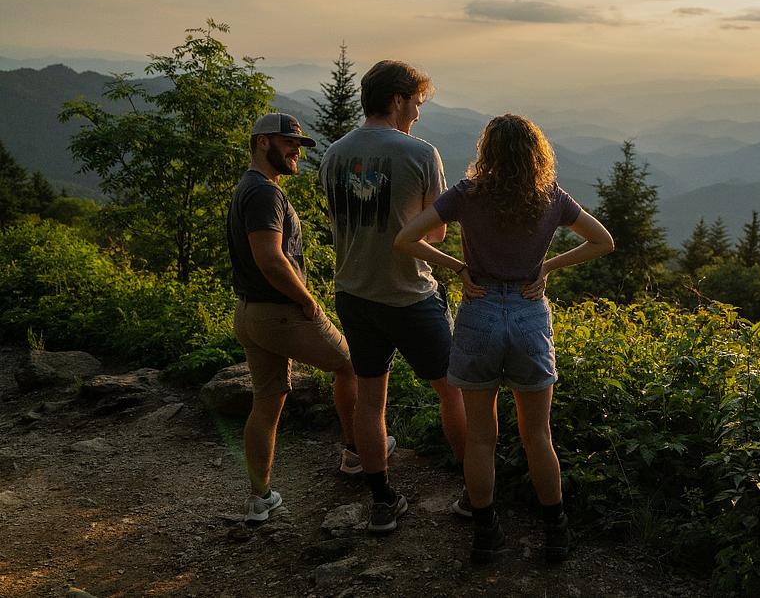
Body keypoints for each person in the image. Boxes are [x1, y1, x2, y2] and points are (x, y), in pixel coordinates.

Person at [393, 113, 615, 564]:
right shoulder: (549, 196)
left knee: (480, 437)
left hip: (479, 313)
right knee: (538, 435)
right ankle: (556, 533)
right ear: (537, 155)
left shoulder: (467, 194)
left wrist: (458, 269)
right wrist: (547, 267)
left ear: (487, 151)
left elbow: (406, 238)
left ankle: (485, 536)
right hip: (530, 315)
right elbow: (603, 241)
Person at [319, 60, 468, 534]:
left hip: (353, 292)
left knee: (370, 398)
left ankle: (381, 500)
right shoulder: (420, 154)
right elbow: (438, 233)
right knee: (452, 390)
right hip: (409, 293)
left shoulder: (333, 154)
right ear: (399, 99)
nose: (419, 114)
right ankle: (474, 486)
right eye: (417, 103)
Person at [226, 112, 359, 523]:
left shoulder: (246, 188)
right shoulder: (265, 193)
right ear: (262, 142)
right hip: (280, 314)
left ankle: (259, 497)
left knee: (267, 401)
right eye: (289, 144)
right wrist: (308, 301)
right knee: (353, 365)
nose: (296, 153)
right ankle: (356, 454)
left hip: (249, 312)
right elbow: (270, 258)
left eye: (299, 146)